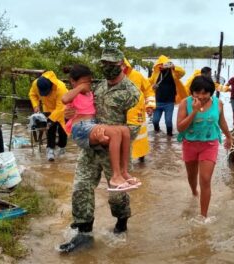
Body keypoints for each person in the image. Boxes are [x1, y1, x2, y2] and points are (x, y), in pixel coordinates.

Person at [58, 48, 140, 253]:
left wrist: (107, 139)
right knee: (81, 186)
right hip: (91, 146)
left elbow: (134, 127)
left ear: (122, 64)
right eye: (103, 64)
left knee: (117, 195)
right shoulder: (98, 86)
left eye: (111, 64)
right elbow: (81, 111)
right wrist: (69, 115)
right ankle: (84, 232)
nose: (106, 68)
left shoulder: (132, 93)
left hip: (114, 149)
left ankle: (121, 227)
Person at [61, 64, 139, 192]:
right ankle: (116, 176)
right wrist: (80, 88)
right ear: (73, 82)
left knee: (124, 130)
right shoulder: (76, 94)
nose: (87, 85)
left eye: (89, 82)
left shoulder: (94, 92)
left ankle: (124, 172)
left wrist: (103, 139)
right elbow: (65, 99)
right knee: (115, 132)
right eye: (84, 82)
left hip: (93, 126)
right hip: (82, 128)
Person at [177, 76, 232, 218]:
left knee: (206, 179)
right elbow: (180, 127)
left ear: (211, 92)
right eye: (197, 93)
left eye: (205, 93)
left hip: (210, 144)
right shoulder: (185, 103)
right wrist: (194, 111)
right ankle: (194, 192)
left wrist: (229, 136)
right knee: (191, 176)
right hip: (189, 144)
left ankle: (203, 216)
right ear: (192, 92)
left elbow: (222, 121)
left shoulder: (218, 103)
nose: (201, 96)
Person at [29, 70, 68, 161]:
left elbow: (60, 108)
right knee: (50, 130)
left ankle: (62, 147)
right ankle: (50, 149)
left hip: (62, 109)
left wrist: (50, 121)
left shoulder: (60, 88)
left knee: (63, 130)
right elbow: (32, 94)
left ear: (51, 86)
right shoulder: (36, 84)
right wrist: (35, 105)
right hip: (48, 108)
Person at [124, 58, 156, 162]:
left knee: (140, 138)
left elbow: (148, 90)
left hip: (137, 113)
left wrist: (150, 105)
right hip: (119, 114)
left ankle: (141, 161)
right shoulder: (112, 78)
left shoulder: (137, 75)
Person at [148, 55, 187, 136]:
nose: (162, 66)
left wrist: (173, 67)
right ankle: (157, 136)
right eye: (160, 64)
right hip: (158, 101)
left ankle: (169, 137)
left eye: (164, 64)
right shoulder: (156, 73)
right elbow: (149, 82)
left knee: (168, 121)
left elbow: (183, 72)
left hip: (169, 102)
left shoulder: (173, 73)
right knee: (155, 121)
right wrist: (152, 86)